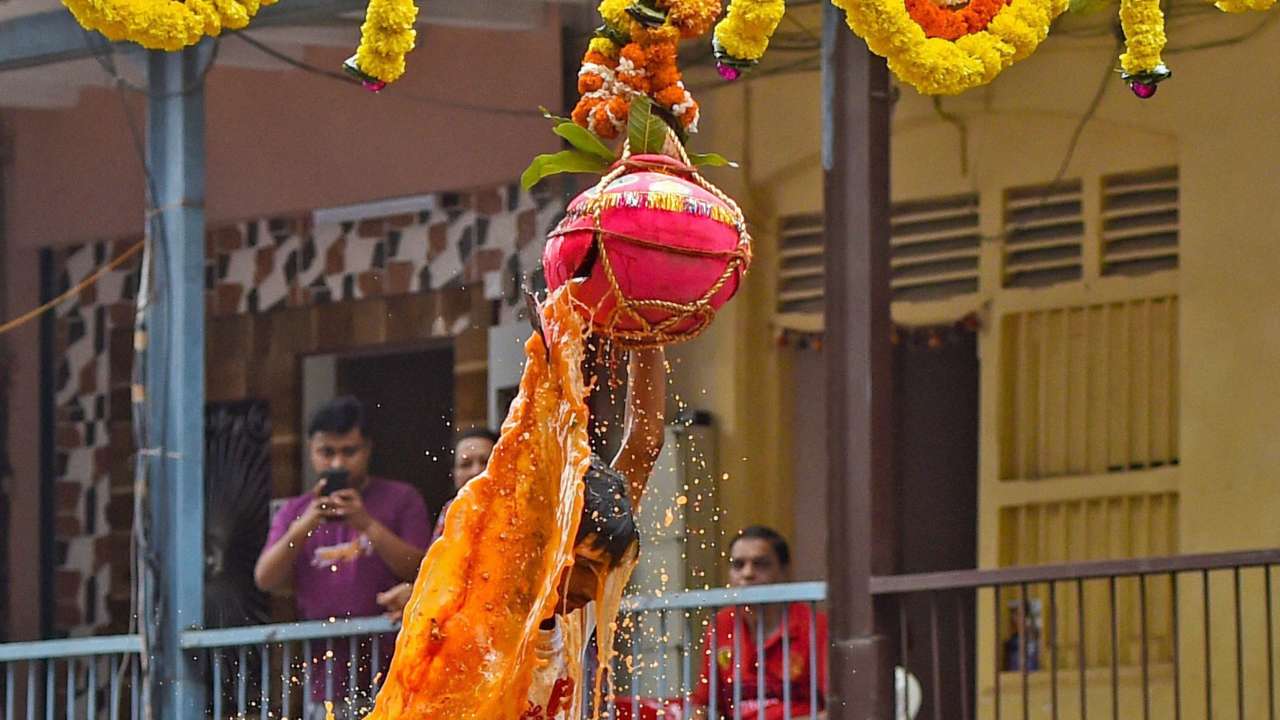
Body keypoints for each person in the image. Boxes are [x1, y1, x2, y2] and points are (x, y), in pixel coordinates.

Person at [377, 347, 666, 719]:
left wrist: (649, 333)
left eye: (603, 571)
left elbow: (645, 442)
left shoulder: (573, 613)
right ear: (549, 546)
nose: (593, 588)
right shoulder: (480, 611)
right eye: (585, 566)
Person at [254, 395, 431, 717]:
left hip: (395, 672)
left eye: (349, 452)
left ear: (368, 449)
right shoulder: (295, 512)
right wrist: (305, 524)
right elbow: (265, 578)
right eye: (327, 453)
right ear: (311, 452)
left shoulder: (401, 499)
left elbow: (422, 570)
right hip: (325, 683)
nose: (337, 464)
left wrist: (366, 523)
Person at [691, 526, 829, 720]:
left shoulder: (815, 626)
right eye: (738, 565)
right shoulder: (721, 625)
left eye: (761, 564)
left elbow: (838, 709)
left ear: (785, 571)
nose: (747, 573)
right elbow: (703, 706)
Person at [429, 427, 498, 543]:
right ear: (454, 474)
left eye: (486, 461)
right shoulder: (450, 510)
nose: (476, 471)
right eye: (466, 464)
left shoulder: (522, 507)